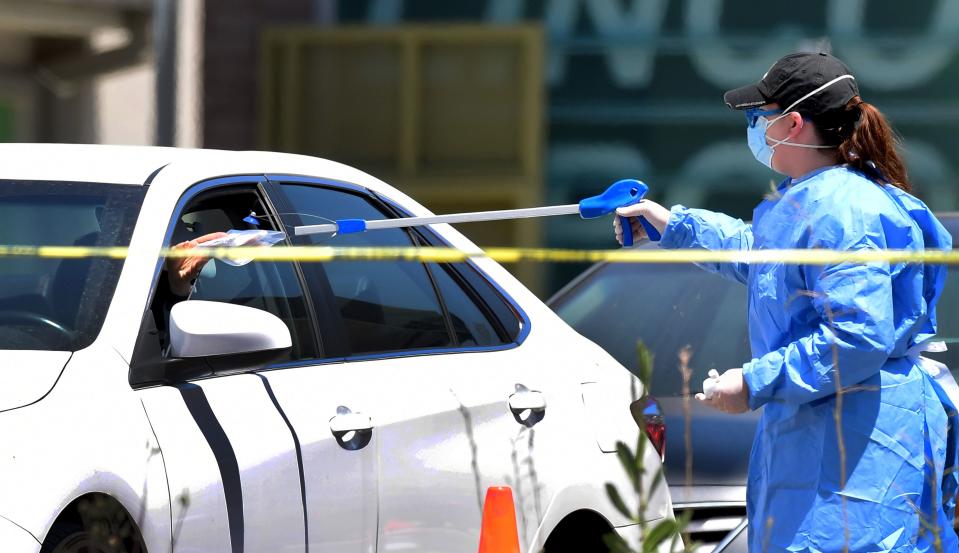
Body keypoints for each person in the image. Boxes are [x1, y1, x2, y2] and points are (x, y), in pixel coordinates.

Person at [614, 52, 958, 552]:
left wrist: (753, 381)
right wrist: (674, 226)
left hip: (854, 455)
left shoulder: (844, 209)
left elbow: (856, 335)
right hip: (825, 441)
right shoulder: (816, 198)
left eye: (760, 116)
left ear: (792, 123)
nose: (755, 128)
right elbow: (764, 257)